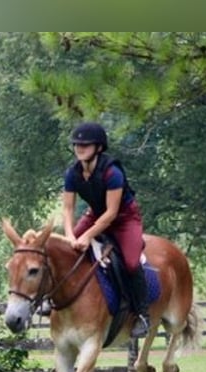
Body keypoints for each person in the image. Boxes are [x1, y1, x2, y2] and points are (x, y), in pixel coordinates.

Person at [61, 121, 149, 338]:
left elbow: (111, 213)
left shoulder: (112, 172)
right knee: (65, 251)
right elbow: (67, 208)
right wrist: (70, 236)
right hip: (95, 214)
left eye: (86, 145)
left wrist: (88, 235)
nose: (80, 148)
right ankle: (50, 303)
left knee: (130, 263)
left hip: (124, 218)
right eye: (76, 145)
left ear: (99, 147)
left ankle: (141, 313)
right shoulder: (72, 174)